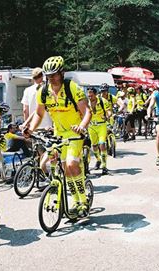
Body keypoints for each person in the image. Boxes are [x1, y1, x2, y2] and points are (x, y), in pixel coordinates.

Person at [25, 56, 92, 216]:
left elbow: (87, 112)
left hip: (75, 133)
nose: (51, 78)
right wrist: (31, 129)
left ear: (62, 73)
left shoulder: (72, 88)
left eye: (54, 74)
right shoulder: (44, 91)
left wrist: (81, 126)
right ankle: (75, 201)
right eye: (48, 76)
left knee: (70, 164)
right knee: (63, 168)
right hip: (58, 134)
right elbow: (39, 113)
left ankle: (83, 201)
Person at [87, 88, 112, 175]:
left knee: (102, 144)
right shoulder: (86, 102)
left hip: (101, 125)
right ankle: (98, 160)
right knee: (94, 146)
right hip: (91, 126)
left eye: (91, 95)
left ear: (95, 94)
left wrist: (107, 116)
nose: (90, 97)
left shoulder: (102, 101)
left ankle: (104, 166)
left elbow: (109, 111)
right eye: (88, 95)